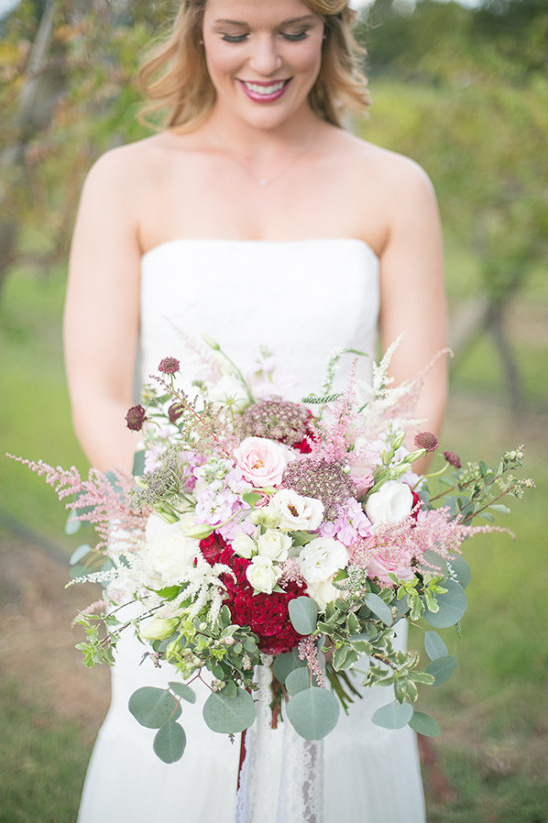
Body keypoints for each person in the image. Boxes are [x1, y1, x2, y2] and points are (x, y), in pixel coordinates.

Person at [64, 1, 447, 821]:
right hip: (175, 565)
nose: (264, 61)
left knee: (340, 754)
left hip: (348, 561)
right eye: (236, 34)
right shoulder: (127, 179)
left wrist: (340, 544)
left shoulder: (394, 185)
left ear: (331, 31)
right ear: (197, 29)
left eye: (293, 32)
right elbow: (98, 392)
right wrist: (190, 534)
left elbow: (420, 393)